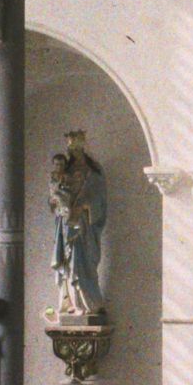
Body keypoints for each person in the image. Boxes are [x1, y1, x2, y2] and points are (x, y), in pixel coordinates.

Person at [48, 130, 107, 320]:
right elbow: (53, 200)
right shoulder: (64, 173)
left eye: (76, 148)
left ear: (82, 147)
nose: (72, 152)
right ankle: (71, 304)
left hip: (84, 226)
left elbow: (100, 202)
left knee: (82, 265)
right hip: (66, 225)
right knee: (68, 263)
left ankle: (89, 304)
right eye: (70, 149)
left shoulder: (94, 172)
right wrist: (56, 203)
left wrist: (86, 206)